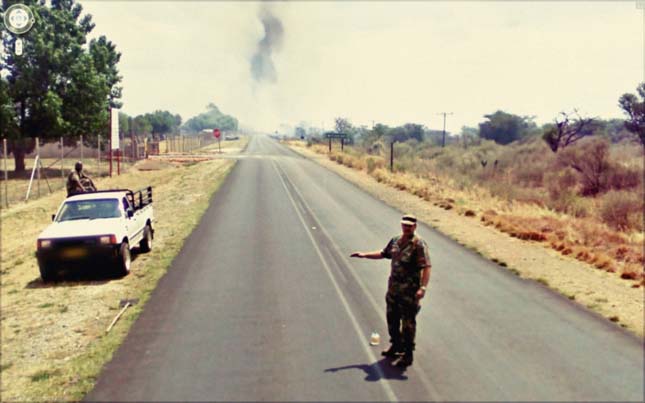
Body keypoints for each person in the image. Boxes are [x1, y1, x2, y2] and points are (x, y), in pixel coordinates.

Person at [350, 214, 431, 368]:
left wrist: (423, 287)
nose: (406, 228)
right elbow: (383, 253)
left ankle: (408, 354)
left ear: (414, 226)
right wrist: (365, 255)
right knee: (392, 319)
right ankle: (396, 345)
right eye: (404, 225)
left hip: (409, 292)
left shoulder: (419, 244)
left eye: (409, 225)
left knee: (408, 324)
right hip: (393, 290)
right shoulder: (395, 241)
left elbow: (426, 267)